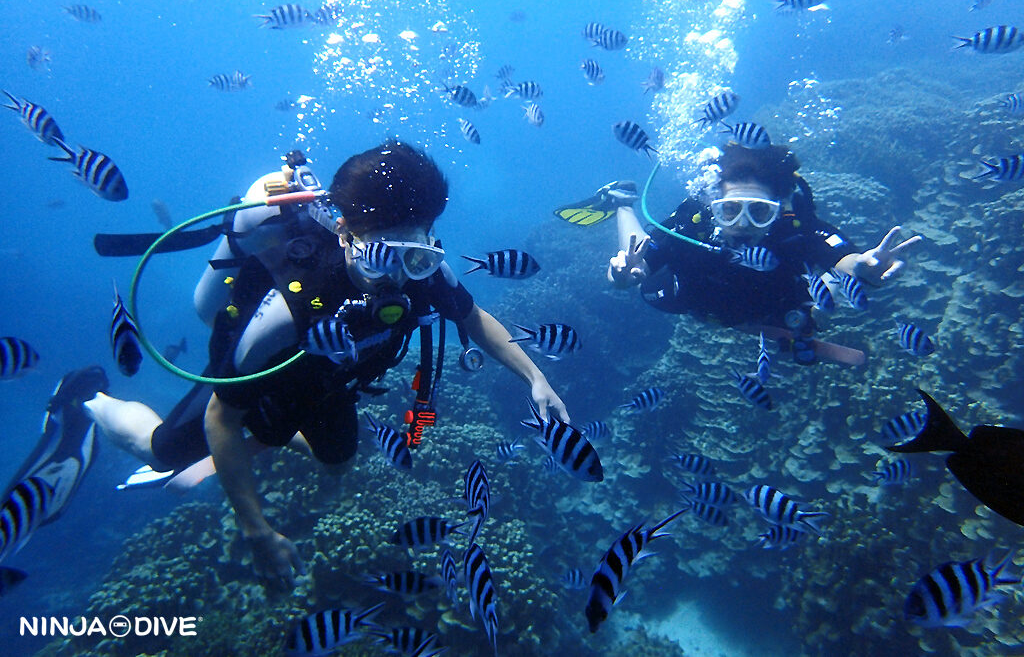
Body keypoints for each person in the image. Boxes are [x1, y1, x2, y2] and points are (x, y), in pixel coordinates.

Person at [85, 141, 569, 588]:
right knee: (161, 452)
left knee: (337, 461)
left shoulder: (427, 270)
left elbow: (473, 318)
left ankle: (267, 441)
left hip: (331, 381)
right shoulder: (286, 310)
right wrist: (256, 529)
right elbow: (221, 417)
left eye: (415, 259)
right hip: (271, 375)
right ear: (343, 232)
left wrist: (537, 377)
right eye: (381, 259)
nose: (398, 280)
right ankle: (90, 399)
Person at [606, 143, 921, 362]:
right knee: (641, 272)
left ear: (779, 208)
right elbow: (641, 259)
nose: (743, 223)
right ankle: (622, 200)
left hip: (767, 305)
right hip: (691, 299)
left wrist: (865, 270)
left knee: (823, 297)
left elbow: (845, 259)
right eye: (729, 210)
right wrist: (622, 274)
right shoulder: (695, 224)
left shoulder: (793, 228)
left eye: (759, 211)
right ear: (713, 206)